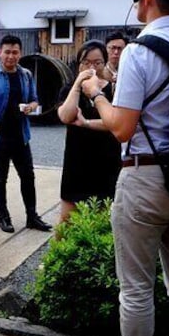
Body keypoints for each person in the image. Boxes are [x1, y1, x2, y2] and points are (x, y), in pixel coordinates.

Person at [80, 0, 169, 336]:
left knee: (135, 289)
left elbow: (121, 127)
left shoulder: (139, 50)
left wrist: (97, 94)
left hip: (146, 179)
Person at [0, 34, 51, 234]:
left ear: (20, 53)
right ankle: (4, 217)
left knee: (28, 176)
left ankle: (32, 216)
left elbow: (35, 99)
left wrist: (31, 106)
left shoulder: (26, 75)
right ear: (0, 53)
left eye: (15, 52)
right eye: (7, 52)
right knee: (0, 177)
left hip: (21, 134)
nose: (11, 56)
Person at [55, 40, 121, 227]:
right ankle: (60, 254)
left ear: (105, 63)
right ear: (79, 64)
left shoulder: (114, 88)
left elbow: (116, 122)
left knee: (102, 216)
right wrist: (78, 85)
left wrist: (86, 123)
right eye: (86, 62)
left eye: (97, 62)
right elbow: (65, 116)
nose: (91, 67)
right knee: (67, 217)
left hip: (107, 158)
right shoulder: (69, 89)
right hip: (77, 159)